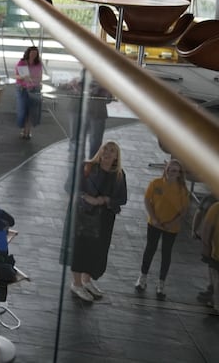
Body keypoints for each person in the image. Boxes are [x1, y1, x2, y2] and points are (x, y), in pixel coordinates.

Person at [70, 141, 127, 302]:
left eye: (112, 151)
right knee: (81, 249)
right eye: (105, 149)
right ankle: (76, 283)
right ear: (100, 151)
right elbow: (72, 187)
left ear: (116, 156)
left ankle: (86, 281)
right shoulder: (87, 167)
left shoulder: (119, 175)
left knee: (97, 250)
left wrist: (105, 200)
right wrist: (88, 198)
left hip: (105, 220)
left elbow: (122, 198)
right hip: (85, 216)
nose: (108, 153)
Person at [134, 159, 189, 299]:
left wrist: (172, 223)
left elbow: (183, 210)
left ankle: (161, 283)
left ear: (179, 174)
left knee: (166, 254)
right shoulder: (156, 183)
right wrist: (154, 218)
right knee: (150, 249)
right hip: (154, 224)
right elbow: (147, 200)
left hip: (171, 227)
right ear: (166, 169)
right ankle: (142, 277)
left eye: (176, 171)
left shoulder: (182, 190)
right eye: (171, 169)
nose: (172, 172)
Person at [63, 75, 114, 158]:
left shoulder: (105, 82)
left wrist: (102, 88)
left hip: (96, 113)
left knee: (94, 142)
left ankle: (91, 162)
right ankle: (79, 161)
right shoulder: (78, 80)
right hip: (78, 111)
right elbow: (67, 91)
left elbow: (108, 99)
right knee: (77, 140)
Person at [15, 46, 43, 139]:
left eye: (35, 53)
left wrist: (34, 80)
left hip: (34, 89)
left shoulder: (38, 64)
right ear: (28, 53)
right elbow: (17, 76)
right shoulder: (22, 62)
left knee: (31, 112)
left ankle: (28, 131)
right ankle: (23, 129)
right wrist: (24, 77)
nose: (33, 55)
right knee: (23, 111)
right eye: (32, 53)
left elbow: (40, 77)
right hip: (22, 89)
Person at [199, 199, 219, 316]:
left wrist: (206, 245)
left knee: (216, 278)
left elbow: (206, 229)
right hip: (216, 253)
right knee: (216, 278)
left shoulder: (216, 207)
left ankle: (215, 302)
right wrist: (206, 246)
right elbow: (206, 229)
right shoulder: (216, 208)